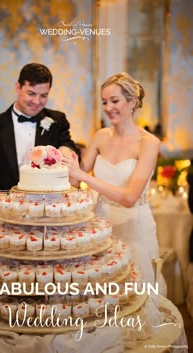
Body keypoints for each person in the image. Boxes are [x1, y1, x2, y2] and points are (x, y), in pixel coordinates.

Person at [63, 72, 166, 293]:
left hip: (134, 229)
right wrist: (66, 154)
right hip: (101, 228)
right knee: (101, 297)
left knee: (133, 297)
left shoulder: (149, 143)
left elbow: (129, 198)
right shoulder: (101, 136)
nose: (108, 107)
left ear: (132, 102)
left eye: (115, 101)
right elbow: (74, 179)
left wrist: (84, 177)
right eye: (104, 102)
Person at [0, 63, 80, 211]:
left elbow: (68, 144)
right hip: (7, 215)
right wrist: (1, 206)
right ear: (17, 87)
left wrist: (66, 149)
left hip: (48, 212)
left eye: (43, 95)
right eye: (31, 93)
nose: (37, 101)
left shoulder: (57, 120)